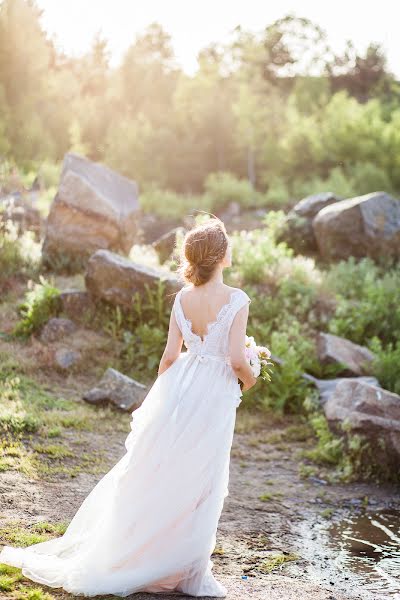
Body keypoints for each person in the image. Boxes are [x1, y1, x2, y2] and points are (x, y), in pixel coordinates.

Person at [0, 217, 257, 597]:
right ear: (219, 256)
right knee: (203, 478)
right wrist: (251, 375)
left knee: (167, 472)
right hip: (214, 393)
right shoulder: (236, 299)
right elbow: (236, 360)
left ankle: (157, 557)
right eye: (228, 244)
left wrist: (163, 400)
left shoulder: (183, 299)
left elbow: (169, 358)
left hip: (182, 389)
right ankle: (190, 572)